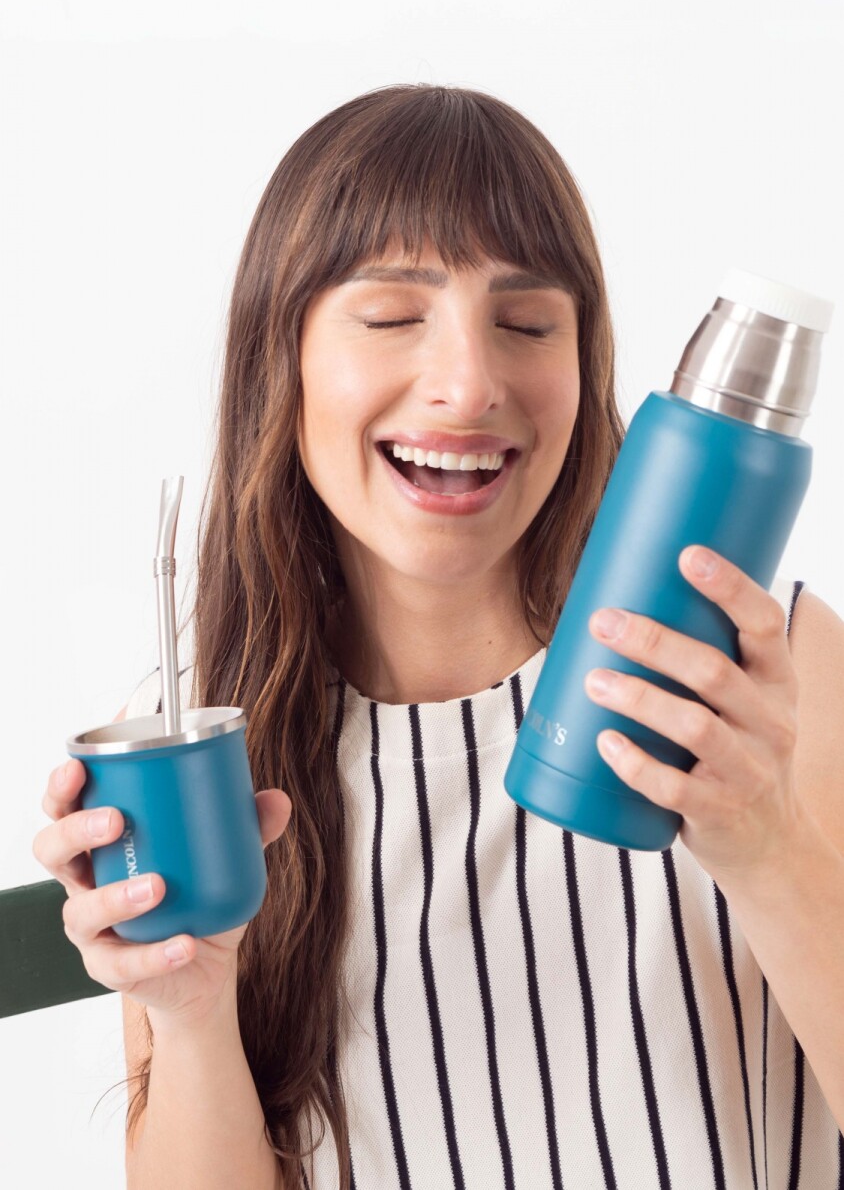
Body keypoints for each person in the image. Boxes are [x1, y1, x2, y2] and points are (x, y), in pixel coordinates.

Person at [33, 84, 844, 1188]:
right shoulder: (191, 748)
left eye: (527, 324)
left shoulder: (767, 677)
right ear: (284, 359)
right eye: (389, 317)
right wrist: (188, 1012)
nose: (467, 387)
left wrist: (765, 851)